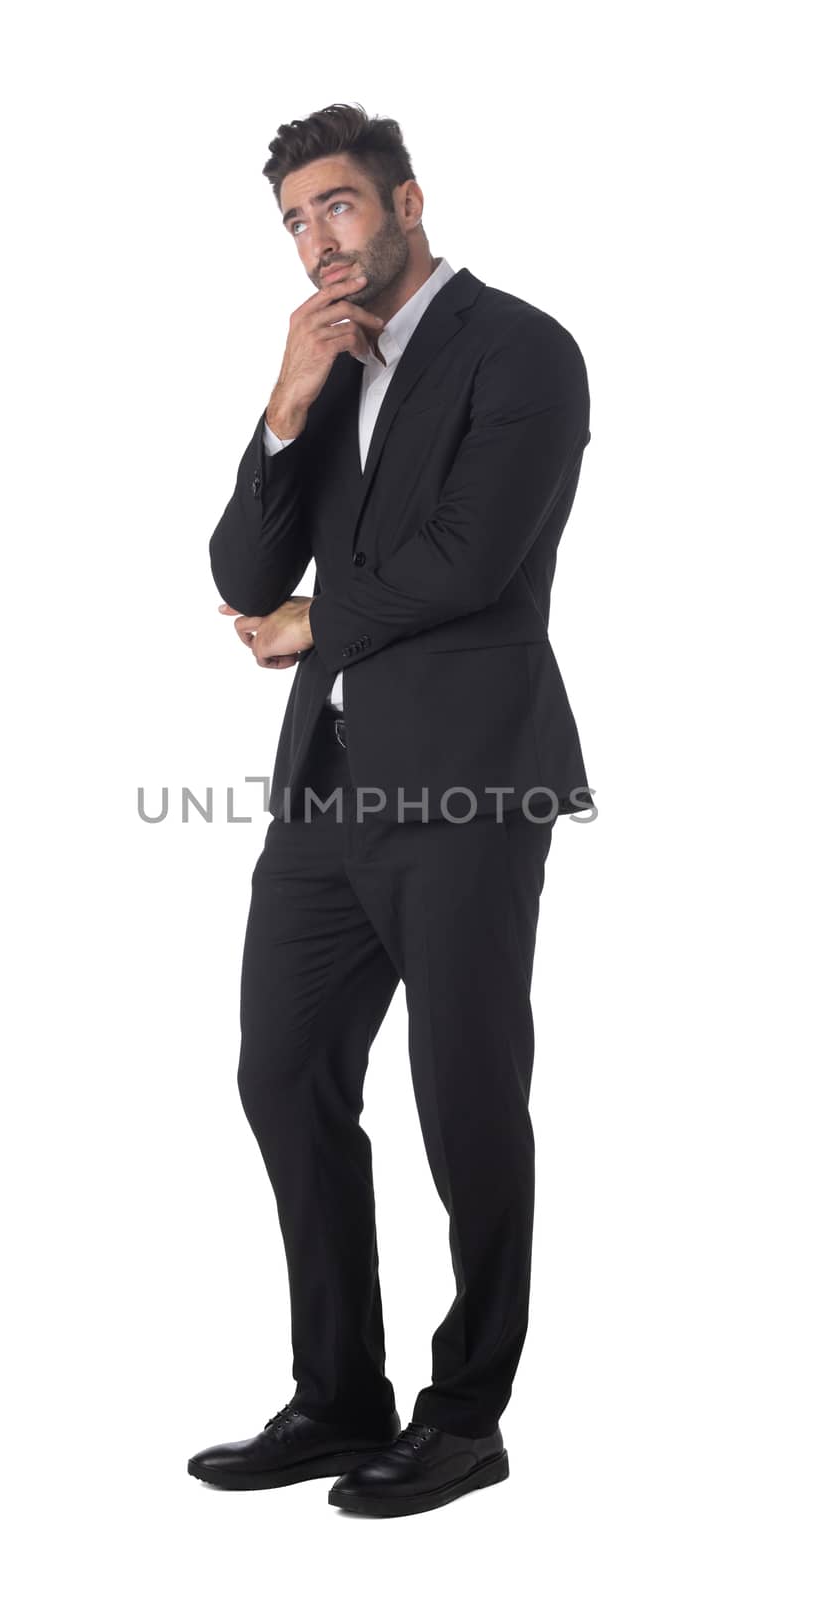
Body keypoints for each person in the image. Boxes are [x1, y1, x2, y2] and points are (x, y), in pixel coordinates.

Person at [188, 102, 594, 1518]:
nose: (320, 239)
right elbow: (244, 568)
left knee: (465, 1096)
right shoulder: (328, 362)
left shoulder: (521, 351)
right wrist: (287, 403)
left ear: (407, 202)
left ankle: (466, 1415)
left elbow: (476, 555)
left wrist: (316, 625)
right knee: (280, 1071)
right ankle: (339, 1392)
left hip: (471, 777)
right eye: (298, 220)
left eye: (340, 207)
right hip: (328, 792)